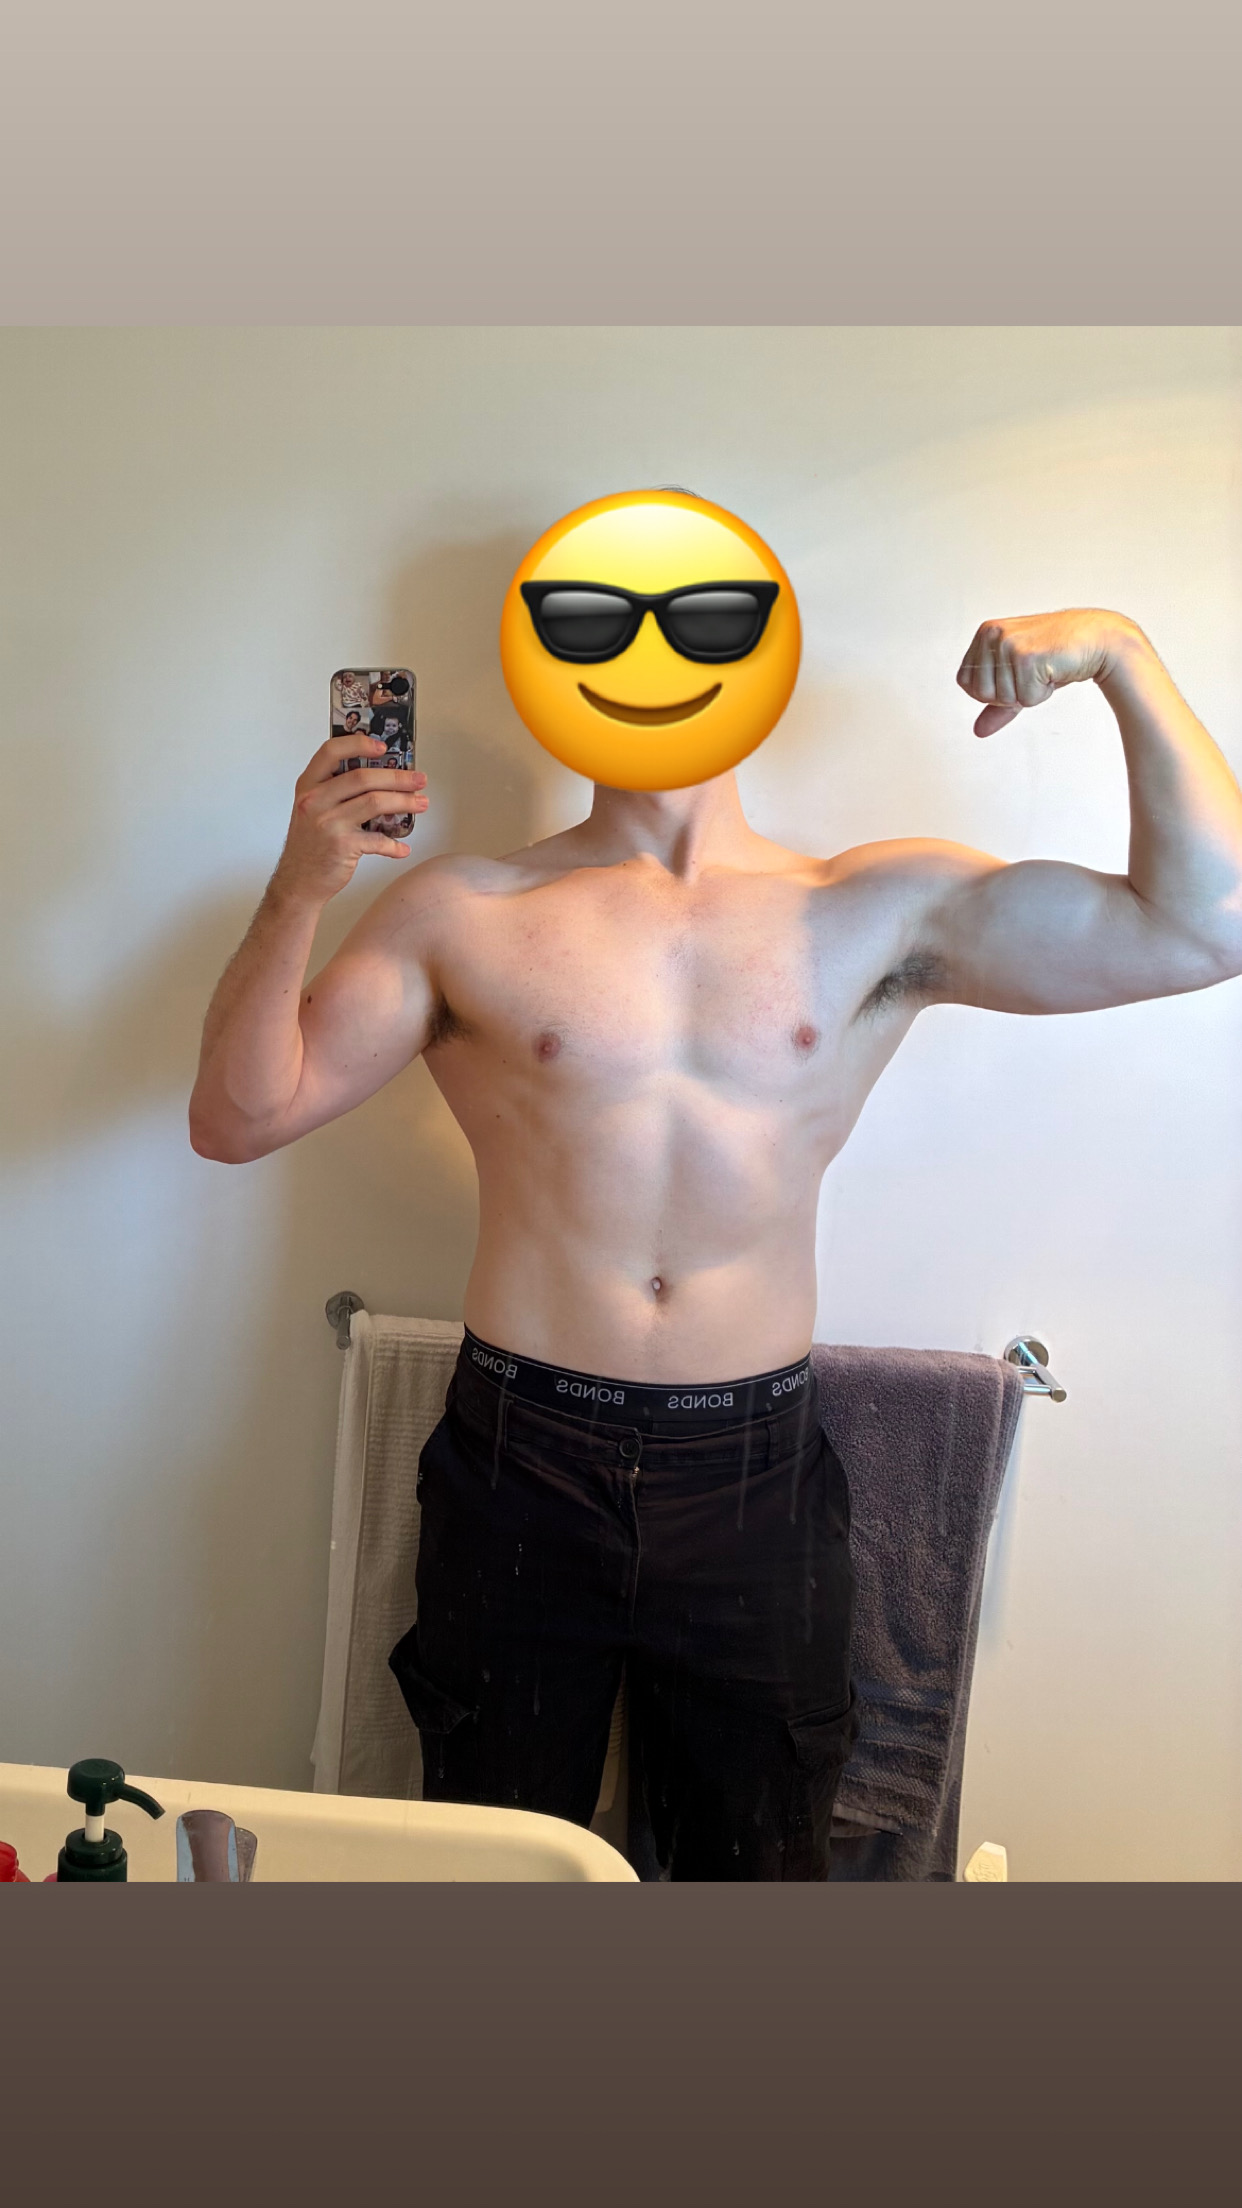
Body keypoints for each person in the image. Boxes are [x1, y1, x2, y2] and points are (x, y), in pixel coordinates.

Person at [190, 499, 1242, 1879]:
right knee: (488, 1873)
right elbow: (239, 1117)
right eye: (592, 623)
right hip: (521, 1459)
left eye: (704, 621)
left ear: (763, 651)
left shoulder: (874, 904)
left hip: (751, 1474)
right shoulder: (461, 911)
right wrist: (300, 886)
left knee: (756, 1883)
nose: (648, 655)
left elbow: (1208, 925)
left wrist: (1119, 652)